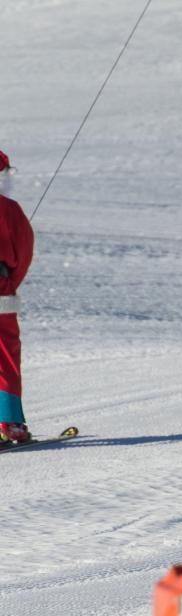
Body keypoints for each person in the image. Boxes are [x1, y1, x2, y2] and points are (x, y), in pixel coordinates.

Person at [0, 151, 34, 443]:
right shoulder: (9, 209)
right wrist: (10, 284)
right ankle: (10, 425)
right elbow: (23, 254)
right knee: (5, 356)